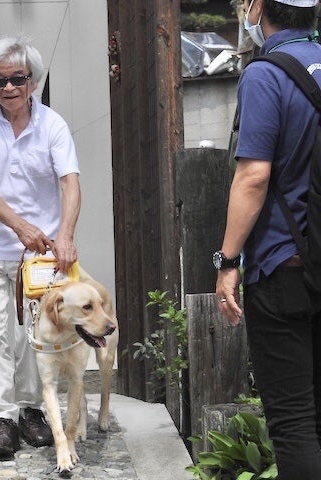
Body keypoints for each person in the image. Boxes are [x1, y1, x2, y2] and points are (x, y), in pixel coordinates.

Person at [0, 35, 81, 459]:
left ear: (34, 80)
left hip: (40, 254)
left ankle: (31, 409)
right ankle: (1, 419)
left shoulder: (53, 125)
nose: (9, 88)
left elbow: (70, 183)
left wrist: (66, 235)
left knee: (36, 334)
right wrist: (19, 226)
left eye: (17, 79)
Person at [215, 1, 321, 478]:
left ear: (259, 9)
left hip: (286, 266)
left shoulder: (266, 74)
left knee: (295, 420)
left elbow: (254, 176)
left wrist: (227, 261)